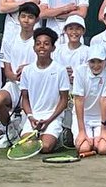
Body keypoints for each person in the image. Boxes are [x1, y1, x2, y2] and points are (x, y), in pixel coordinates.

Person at [0, 1, 39, 148]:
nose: (26, 20)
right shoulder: (10, 40)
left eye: (30, 17)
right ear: (18, 18)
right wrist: (14, 77)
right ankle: (10, 131)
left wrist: (28, 69)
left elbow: (44, 66)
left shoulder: (40, 41)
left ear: (36, 20)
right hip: (14, 85)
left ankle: (24, 130)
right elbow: (7, 69)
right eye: (23, 16)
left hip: (34, 89)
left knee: (28, 140)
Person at [18, 27, 70, 155]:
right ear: (34, 47)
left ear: (53, 48)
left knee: (45, 147)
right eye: (38, 43)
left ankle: (58, 136)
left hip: (53, 118)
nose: (42, 47)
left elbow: (64, 100)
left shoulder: (60, 70)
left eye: (46, 44)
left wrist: (49, 120)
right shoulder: (27, 71)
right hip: (33, 118)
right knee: (27, 147)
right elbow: (25, 98)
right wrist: (31, 117)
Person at [72, 45, 106, 157]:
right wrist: (82, 131)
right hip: (83, 117)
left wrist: (104, 129)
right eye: (92, 61)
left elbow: (104, 99)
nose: (96, 66)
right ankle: (88, 138)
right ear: (87, 61)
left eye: (99, 61)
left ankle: (95, 140)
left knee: (103, 149)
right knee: (84, 148)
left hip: (102, 117)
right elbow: (79, 100)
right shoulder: (80, 71)